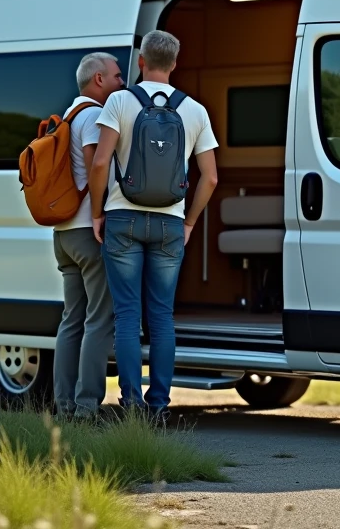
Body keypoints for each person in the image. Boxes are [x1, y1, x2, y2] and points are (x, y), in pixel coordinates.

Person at [88, 30, 218, 420]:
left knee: (127, 315)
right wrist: (189, 222)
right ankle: (159, 406)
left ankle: (131, 404)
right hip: (170, 223)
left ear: (141, 61)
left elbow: (100, 162)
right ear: (174, 64)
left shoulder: (119, 101)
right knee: (161, 316)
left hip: (123, 218)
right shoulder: (195, 110)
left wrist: (97, 213)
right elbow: (211, 178)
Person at [53, 51, 124, 420]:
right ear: (98, 79)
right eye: (116, 76)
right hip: (87, 231)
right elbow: (98, 165)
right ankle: (86, 406)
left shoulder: (68, 115)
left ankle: (64, 403)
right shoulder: (94, 116)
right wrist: (99, 213)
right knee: (98, 319)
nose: (121, 82)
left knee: (71, 319)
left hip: (63, 234)